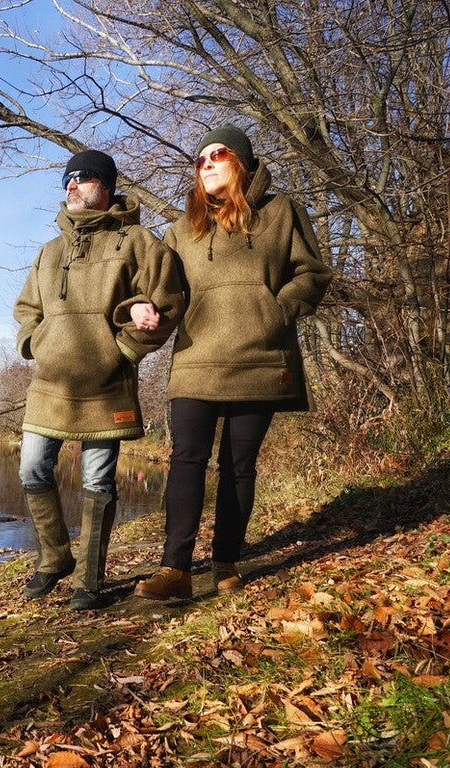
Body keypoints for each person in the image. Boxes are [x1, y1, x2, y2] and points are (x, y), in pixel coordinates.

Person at [134, 125, 332, 602]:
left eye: (216, 155)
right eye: (199, 159)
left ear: (240, 162)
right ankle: (174, 569)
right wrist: (143, 306)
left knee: (239, 465)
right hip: (196, 359)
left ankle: (226, 561)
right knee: (185, 461)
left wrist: (277, 310)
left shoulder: (282, 213)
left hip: (260, 359)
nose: (205, 163)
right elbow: (163, 292)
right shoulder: (181, 231)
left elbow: (312, 273)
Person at [15, 148, 185, 611]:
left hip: (107, 386)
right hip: (49, 386)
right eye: (67, 179)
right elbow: (27, 310)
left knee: (97, 482)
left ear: (106, 187)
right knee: (31, 468)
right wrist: (34, 344)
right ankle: (53, 559)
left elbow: (168, 302)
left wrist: (125, 351)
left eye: (83, 177)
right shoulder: (49, 251)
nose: (72, 185)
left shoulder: (137, 242)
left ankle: (88, 578)